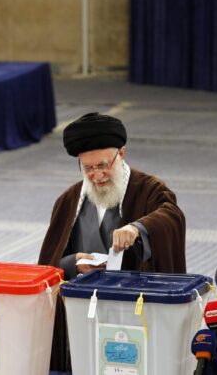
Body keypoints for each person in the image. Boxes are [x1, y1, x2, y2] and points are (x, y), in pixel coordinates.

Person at [38, 112, 186, 371]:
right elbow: (48, 265)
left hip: (135, 314)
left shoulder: (149, 189)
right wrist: (74, 262)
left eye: (103, 165)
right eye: (88, 168)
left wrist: (138, 228)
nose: (97, 175)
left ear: (122, 154)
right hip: (85, 318)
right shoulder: (69, 201)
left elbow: (171, 216)